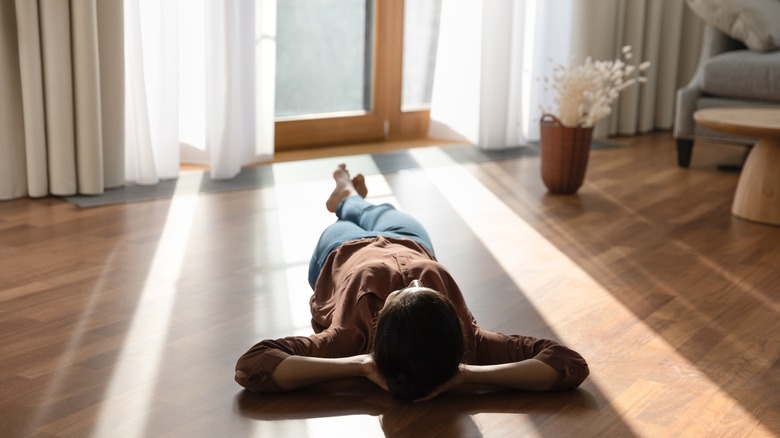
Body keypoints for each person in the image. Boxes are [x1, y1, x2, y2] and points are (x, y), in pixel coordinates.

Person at [235, 164, 589, 402]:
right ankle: (349, 196)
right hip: (410, 240)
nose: (415, 280)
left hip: (341, 250)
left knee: (352, 218)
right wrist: (466, 373)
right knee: (382, 212)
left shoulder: (348, 339)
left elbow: (253, 365)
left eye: (403, 293)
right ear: (450, 320)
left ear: (380, 324)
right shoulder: (468, 340)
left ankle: (346, 199)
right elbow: (566, 362)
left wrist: (359, 364)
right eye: (426, 291)